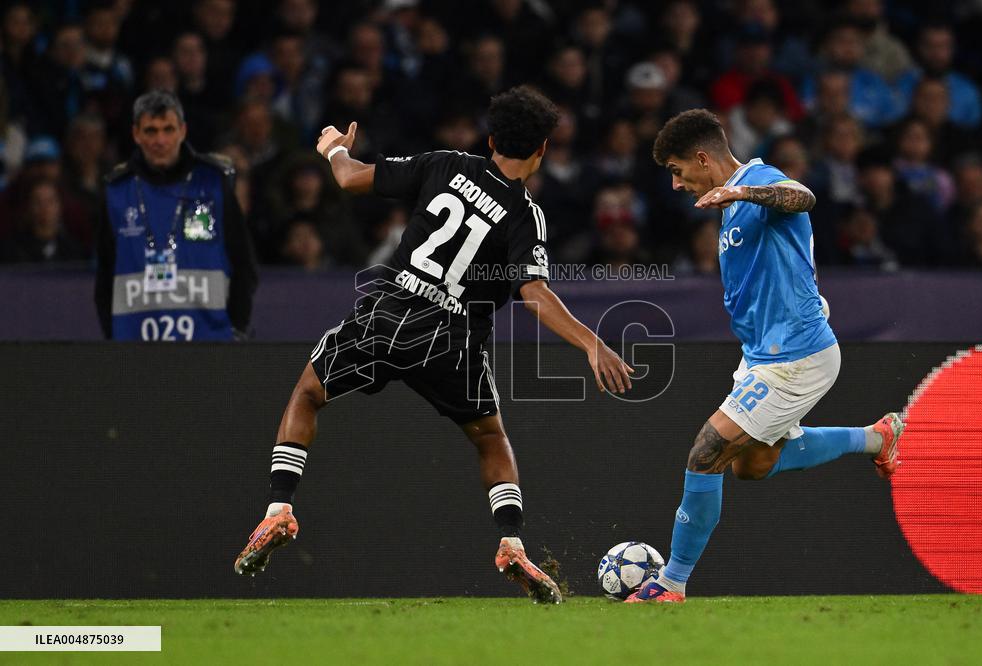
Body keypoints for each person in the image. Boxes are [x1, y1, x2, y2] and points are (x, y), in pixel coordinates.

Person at [232, 87, 634, 603]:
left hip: (390, 314)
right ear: (542, 150)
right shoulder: (525, 214)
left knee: (308, 394)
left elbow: (351, 179)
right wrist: (592, 344)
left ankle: (279, 510)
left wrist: (334, 149)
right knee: (490, 438)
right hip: (453, 340)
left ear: (491, 140)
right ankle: (511, 542)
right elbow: (533, 293)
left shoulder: (445, 164)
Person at [626, 109, 904, 603]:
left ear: (702, 158)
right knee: (751, 466)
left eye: (676, 170)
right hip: (761, 355)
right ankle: (875, 437)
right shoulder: (730, 205)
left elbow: (803, 197)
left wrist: (742, 193)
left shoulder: (758, 181)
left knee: (706, 452)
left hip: (796, 357)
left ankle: (670, 583)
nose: (675, 184)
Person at [94, 90, 257, 341]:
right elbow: (104, 276)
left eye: (168, 130)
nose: (160, 140)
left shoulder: (213, 183)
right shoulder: (117, 191)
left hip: (211, 343)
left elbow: (243, 264)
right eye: (151, 131)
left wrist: (236, 328)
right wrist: (113, 335)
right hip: (134, 345)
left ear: (182, 131)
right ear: (136, 134)